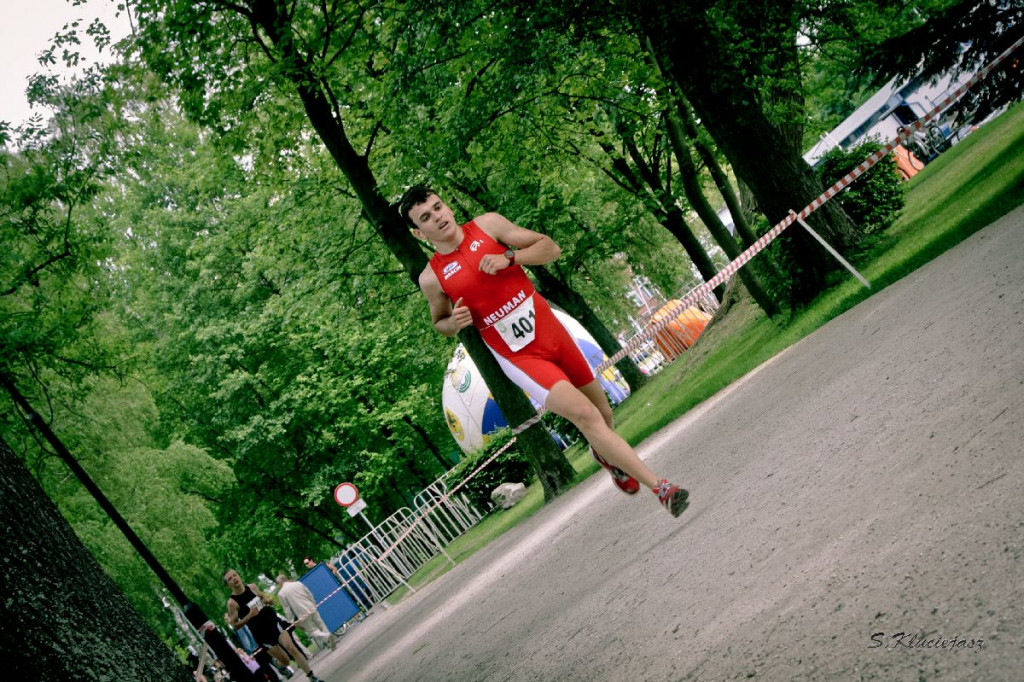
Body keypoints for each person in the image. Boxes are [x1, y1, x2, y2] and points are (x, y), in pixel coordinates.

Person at [400, 185, 689, 516]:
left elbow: (551, 248)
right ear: (418, 232)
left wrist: (510, 257)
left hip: (553, 334)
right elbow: (439, 320)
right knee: (586, 415)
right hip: (520, 357)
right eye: (426, 217)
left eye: (438, 207)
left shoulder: (489, 225)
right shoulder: (432, 277)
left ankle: (606, 454)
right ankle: (662, 488)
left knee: (604, 414)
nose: (437, 217)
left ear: (447, 207)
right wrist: (455, 323)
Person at [223, 569, 324, 682]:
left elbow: (262, 597)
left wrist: (268, 600)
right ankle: (278, 663)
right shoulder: (232, 603)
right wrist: (249, 616)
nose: (234, 579)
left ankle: (312, 677)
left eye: (234, 575)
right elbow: (236, 625)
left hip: (272, 622)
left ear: (238, 575)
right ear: (228, 585)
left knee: (292, 648)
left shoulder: (252, 587)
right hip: (261, 633)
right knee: (285, 661)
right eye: (230, 579)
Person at [276, 575, 337, 650]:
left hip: (301, 613)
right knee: (321, 624)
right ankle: (331, 643)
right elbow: (309, 594)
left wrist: (291, 621)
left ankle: (326, 636)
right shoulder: (298, 583)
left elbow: (287, 609)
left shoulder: (281, 593)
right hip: (311, 607)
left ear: (279, 583)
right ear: (286, 579)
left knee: (312, 631)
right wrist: (313, 604)